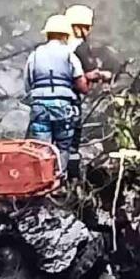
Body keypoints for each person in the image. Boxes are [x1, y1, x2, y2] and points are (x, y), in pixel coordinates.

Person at [25, 14, 89, 173]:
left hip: (39, 107)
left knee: (41, 148)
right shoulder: (69, 55)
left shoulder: (35, 55)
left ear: (47, 34)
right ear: (66, 35)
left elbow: (27, 83)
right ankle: (58, 180)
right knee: (63, 146)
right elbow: (81, 84)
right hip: (63, 107)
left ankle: (41, 180)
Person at [64, 4, 112, 178]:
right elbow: (87, 74)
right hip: (69, 100)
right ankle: (70, 179)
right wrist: (103, 75)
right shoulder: (79, 47)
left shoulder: (56, 45)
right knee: (70, 143)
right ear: (81, 27)